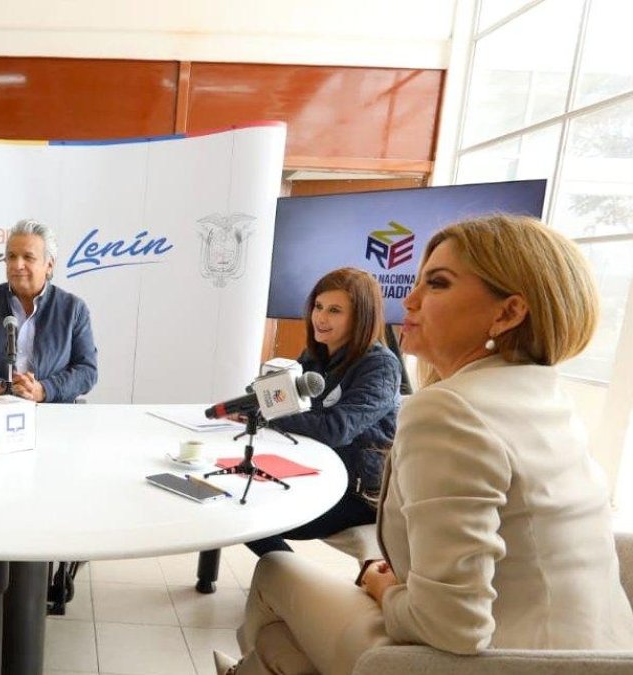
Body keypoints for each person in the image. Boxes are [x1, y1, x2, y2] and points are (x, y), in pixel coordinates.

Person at [219, 215, 633, 675]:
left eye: (436, 284)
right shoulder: (544, 393)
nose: (409, 300)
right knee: (280, 644)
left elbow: (451, 627)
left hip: (500, 663)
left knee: (275, 574)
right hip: (598, 653)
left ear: (507, 313)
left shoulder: (449, 410)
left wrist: (382, 586)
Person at [241, 268, 400, 555]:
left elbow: (335, 430)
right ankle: (288, 576)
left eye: (335, 310)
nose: (321, 318)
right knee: (237, 501)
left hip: (360, 495)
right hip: (316, 471)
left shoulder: (381, 366)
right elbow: (281, 403)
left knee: (251, 517)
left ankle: (288, 578)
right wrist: (255, 402)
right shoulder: (314, 356)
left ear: (361, 317)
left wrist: (268, 414)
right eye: (318, 306)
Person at [0, 219, 98, 402]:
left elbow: (87, 371)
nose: (17, 265)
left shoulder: (73, 309)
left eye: (28, 257)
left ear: (49, 265)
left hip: (50, 410)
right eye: (11, 256)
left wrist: (44, 390)